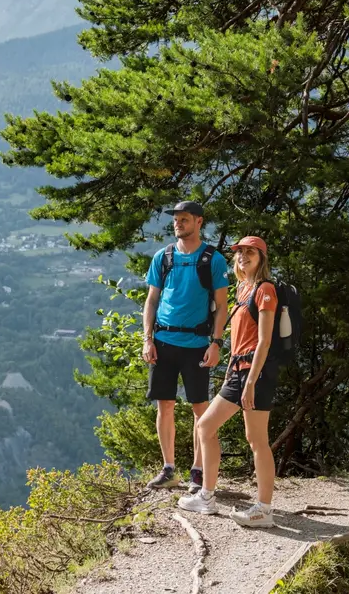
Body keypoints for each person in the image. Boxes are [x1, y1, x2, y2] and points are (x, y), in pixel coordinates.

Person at [177, 235, 278, 527]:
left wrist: (250, 382)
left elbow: (265, 341)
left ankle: (263, 509)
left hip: (253, 373)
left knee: (256, 439)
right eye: (240, 253)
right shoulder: (243, 288)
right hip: (239, 370)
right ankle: (207, 496)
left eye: (250, 253)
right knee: (208, 426)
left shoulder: (265, 289)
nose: (243, 257)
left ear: (261, 258)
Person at [143, 200, 229, 491]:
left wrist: (216, 343)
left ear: (199, 222)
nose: (178, 224)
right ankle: (168, 468)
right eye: (176, 219)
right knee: (164, 405)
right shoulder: (164, 257)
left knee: (199, 409)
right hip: (163, 341)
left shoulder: (212, 259)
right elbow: (152, 300)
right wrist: (147, 339)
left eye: (184, 219)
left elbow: (221, 306)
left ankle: (198, 471)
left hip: (196, 343)